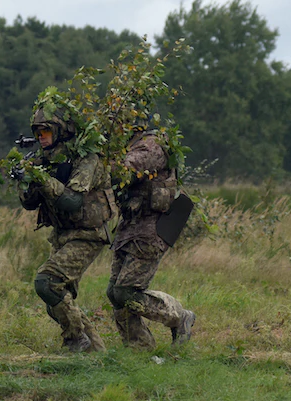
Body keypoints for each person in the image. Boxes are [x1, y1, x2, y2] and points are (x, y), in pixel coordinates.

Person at [18, 95, 115, 352]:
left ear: (62, 131)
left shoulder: (87, 158)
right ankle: (96, 353)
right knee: (59, 301)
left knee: (47, 283)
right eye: (37, 132)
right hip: (62, 234)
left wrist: (41, 177)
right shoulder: (45, 159)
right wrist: (26, 179)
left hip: (88, 233)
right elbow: (28, 204)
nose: (41, 137)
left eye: (46, 131)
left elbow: (72, 201)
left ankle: (75, 340)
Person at [106, 126, 196, 349]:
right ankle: (140, 349)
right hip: (129, 227)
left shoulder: (151, 145)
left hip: (150, 230)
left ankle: (178, 316)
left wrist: (101, 162)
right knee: (114, 293)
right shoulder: (126, 145)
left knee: (125, 292)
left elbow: (126, 170)